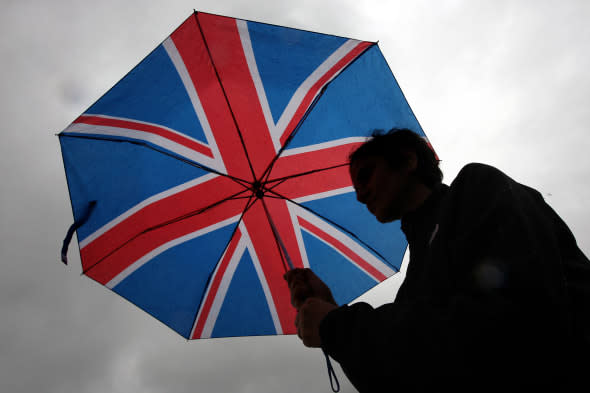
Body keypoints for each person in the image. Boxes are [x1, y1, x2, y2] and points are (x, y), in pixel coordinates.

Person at [284, 128, 590, 393]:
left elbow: (510, 332)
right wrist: (330, 310)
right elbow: (407, 378)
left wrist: (336, 326)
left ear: (408, 160)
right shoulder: (415, 279)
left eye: (366, 175)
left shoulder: (478, 188)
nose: (360, 196)